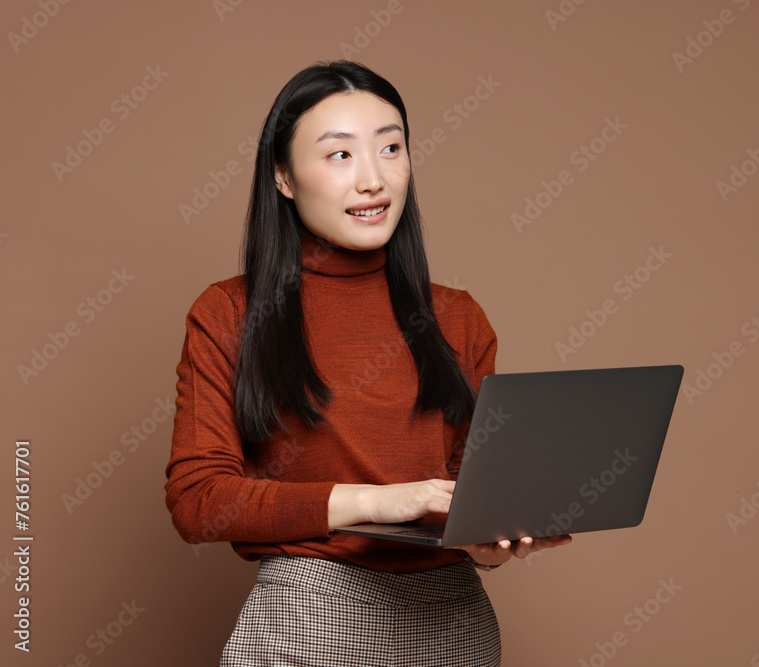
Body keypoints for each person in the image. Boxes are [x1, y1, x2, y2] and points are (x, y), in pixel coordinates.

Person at [163, 60, 571, 665]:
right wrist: (379, 501)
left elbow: (461, 498)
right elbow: (199, 501)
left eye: (391, 147)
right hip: (310, 618)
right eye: (340, 155)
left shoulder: (458, 318)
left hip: (454, 622)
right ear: (282, 177)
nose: (374, 180)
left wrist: (495, 540)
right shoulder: (229, 312)